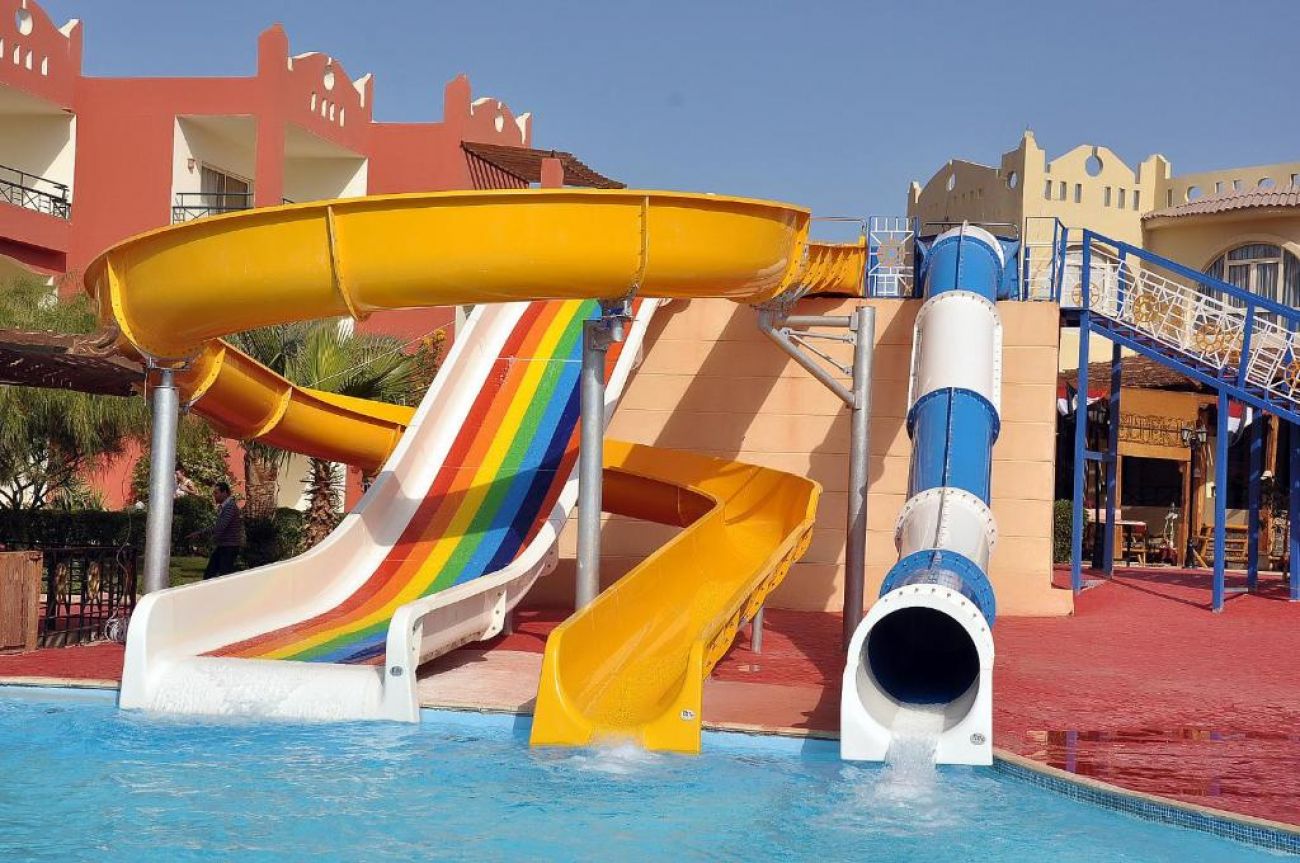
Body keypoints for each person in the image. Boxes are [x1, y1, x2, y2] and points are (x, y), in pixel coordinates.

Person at [189, 481, 244, 579]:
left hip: (229, 547)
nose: (214, 496)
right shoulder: (225, 507)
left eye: (216, 493)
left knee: (219, 576)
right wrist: (200, 533)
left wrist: (203, 537)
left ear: (224, 493)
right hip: (224, 546)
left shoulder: (229, 507)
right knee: (211, 575)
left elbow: (220, 527)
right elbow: (218, 526)